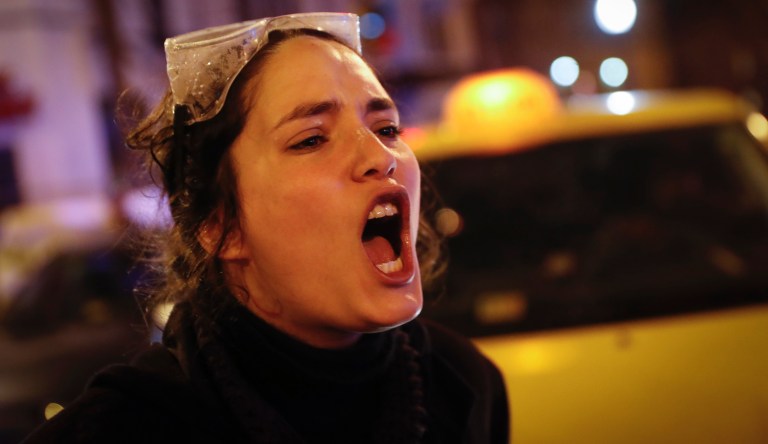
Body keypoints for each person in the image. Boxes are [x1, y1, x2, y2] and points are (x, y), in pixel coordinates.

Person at [23, 12, 509, 443]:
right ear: (221, 225)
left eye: (386, 128)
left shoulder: (466, 385)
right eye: (311, 139)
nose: (380, 156)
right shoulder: (117, 429)